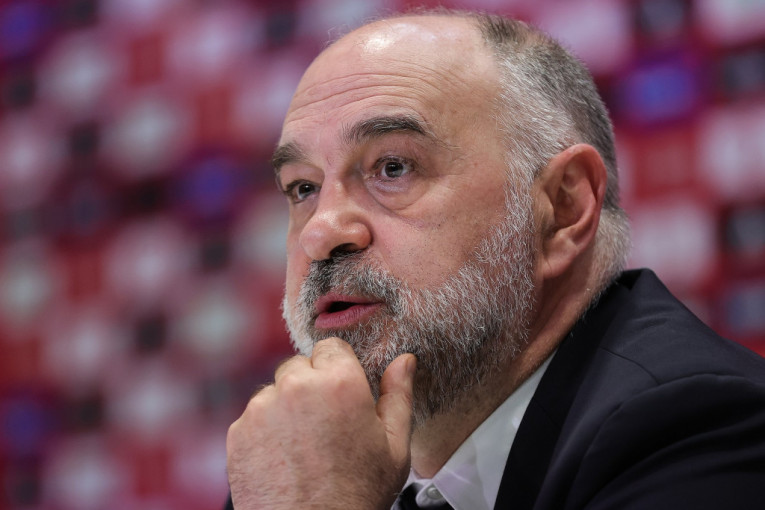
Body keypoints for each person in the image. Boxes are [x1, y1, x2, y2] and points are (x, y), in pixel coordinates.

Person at [225, 9, 765, 510]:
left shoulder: (696, 429)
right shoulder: (306, 462)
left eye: (393, 168)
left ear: (563, 207)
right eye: (302, 188)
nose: (320, 233)